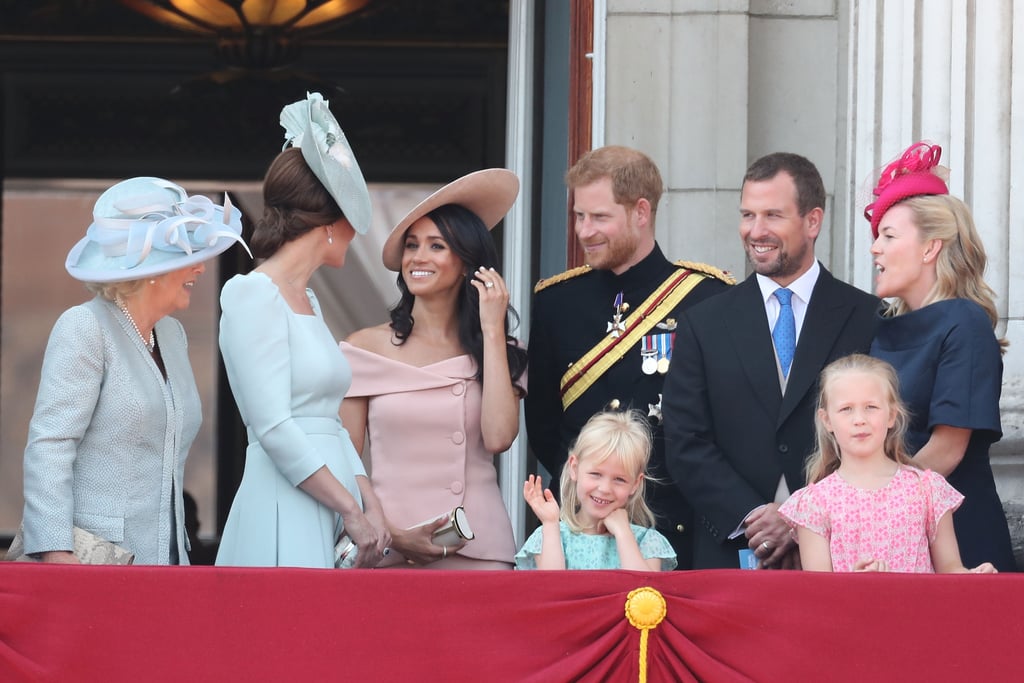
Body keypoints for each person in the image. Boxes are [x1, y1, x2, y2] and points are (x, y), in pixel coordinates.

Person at [663, 152, 880, 569]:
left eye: (773, 216)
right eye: (748, 214)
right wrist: (750, 515)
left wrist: (801, 515)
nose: (755, 231)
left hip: (842, 553)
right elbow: (686, 441)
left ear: (812, 221)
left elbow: (877, 437)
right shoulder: (703, 323)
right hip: (731, 553)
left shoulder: (867, 316)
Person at [20, 176, 248, 565]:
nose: (200, 270)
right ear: (150, 270)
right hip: (93, 561)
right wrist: (57, 554)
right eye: (186, 259)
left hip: (167, 557)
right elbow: (50, 445)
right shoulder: (85, 326)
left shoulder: (172, 335)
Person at [524, 145, 732, 569]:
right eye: (579, 216)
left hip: (671, 525)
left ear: (641, 212)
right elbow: (544, 425)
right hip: (581, 525)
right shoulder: (556, 301)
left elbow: (721, 423)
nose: (584, 231)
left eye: (599, 218)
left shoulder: (707, 298)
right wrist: (596, 491)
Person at [216, 92, 390, 568]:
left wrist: (366, 496)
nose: (356, 234)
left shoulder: (308, 298)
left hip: (331, 498)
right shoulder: (251, 294)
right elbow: (273, 425)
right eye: (351, 218)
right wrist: (350, 507)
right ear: (329, 223)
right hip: (283, 498)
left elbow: (329, 422)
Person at [339, 168, 528, 569]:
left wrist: (492, 330)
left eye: (436, 246)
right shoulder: (363, 348)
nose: (418, 258)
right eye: (412, 245)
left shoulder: (502, 350)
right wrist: (390, 532)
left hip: (479, 552)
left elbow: (499, 437)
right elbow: (345, 462)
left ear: (465, 263)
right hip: (387, 548)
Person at [865, 141, 1016, 572]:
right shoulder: (879, 326)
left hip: (957, 540)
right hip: (892, 538)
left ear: (931, 248)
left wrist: (868, 505)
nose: (875, 248)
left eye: (889, 236)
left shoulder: (964, 322)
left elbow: (946, 450)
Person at [779, 354, 998, 574]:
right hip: (849, 609)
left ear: (892, 415)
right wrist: (855, 585)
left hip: (919, 609)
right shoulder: (813, 503)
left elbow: (950, 569)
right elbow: (818, 590)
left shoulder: (927, 489)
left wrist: (974, 577)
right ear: (827, 420)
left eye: (871, 407)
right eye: (846, 409)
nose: (859, 419)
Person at [515, 409, 677, 570]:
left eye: (619, 479)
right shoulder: (549, 535)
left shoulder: (647, 542)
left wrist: (623, 533)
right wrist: (550, 524)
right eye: (595, 474)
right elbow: (552, 588)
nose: (605, 488)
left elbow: (645, 590)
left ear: (635, 484)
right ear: (574, 468)